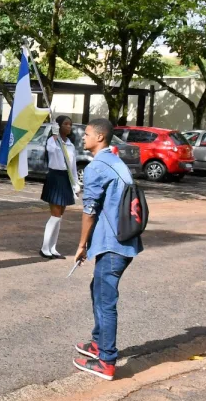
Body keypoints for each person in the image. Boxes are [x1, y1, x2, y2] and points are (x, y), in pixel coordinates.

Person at [72, 118, 142, 381]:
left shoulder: (97, 167)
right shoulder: (114, 161)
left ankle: (106, 361)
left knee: (105, 299)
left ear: (100, 137)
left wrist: (81, 245)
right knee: (98, 289)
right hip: (121, 240)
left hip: (114, 244)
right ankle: (99, 343)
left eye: (87, 134)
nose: (83, 137)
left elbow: (89, 210)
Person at [40, 115, 80, 259]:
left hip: (65, 179)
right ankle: (45, 248)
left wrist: (76, 184)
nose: (69, 126)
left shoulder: (70, 144)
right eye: (66, 124)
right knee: (55, 216)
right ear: (58, 126)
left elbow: (73, 166)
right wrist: (55, 134)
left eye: (70, 124)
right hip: (55, 178)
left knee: (60, 217)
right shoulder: (52, 141)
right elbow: (51, 151)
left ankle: (53, 247)